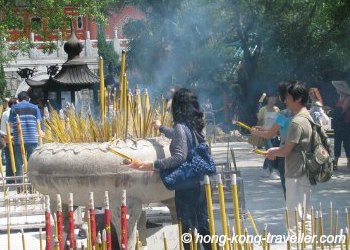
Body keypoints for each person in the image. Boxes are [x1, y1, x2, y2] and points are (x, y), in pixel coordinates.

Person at [129, 88, 211, 250]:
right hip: (200, 183)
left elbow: (179, 156)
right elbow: (178, 135)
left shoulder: (181, 126)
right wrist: (161, 128)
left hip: (187, 187)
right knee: (203, 228)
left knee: (187, 229)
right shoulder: (193, 126)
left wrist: (152, 165)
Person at [265, 80, 312, 235]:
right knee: (304, 211)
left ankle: (296, 242)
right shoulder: (307, 116)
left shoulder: (296, 122)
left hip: (294, 170)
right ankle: (306, 242)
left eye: (287, 98)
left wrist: (272, 151)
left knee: (293, 212)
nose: (284, 101)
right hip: (303, 168)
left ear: (298, 99)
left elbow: (285, 150)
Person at [251, 84, 292, 199]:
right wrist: (263, 130)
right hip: (299, 159)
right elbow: (274, 130)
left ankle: (272, 170)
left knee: (289, 193)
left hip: (286, 155)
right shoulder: (304, 114)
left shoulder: (283, 114)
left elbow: (272, 132)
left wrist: (255, 132)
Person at [9, 91, 42, 185]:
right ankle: (32, 184)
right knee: (32, 161)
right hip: (32, 138)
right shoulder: (35, 107)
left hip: (19, 139)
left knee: (19, 162)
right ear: (29, 99)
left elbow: (10, 124)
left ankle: (20, 184)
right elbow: (38, 122)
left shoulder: (14, 108)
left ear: (18, 100)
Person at [256, 93, 280, 178]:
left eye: (275, 98)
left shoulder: (277, 109)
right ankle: (272, 171)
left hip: (275, 134)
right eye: (272, 98)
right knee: (271, 152)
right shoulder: (263, 110)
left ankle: (264, 169)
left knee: (270, 152)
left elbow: (279, 122)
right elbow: (259, 121)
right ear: (268, 99)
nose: (274, 100)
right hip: (265, 134)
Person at [331, 92, 350, 170]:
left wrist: (334, 111)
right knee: (337, 144)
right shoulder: (338, 98)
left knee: (347, 144)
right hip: (338, 124)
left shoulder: (348, 98)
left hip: (345, 124)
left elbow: (341, 110)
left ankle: (349, 162)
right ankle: (335, 162)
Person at [1, 98, 18, 184]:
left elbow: (2, 130)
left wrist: (5, 138)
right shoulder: (16, 112)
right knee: (17, 159)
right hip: (16, 137)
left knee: (9, 160)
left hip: (7, 137)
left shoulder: (5, 113)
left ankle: (10, 179)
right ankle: (17, 179)